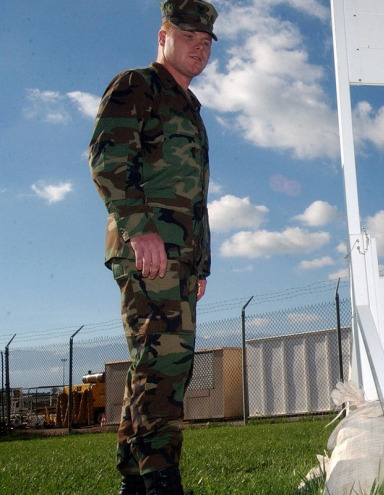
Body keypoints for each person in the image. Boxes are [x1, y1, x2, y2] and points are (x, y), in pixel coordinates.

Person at [89, 2, 217, 494]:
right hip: (149, 249)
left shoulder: (189, 107)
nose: (199, 46)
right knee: (166, 367)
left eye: (206, 41)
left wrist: (199, 262)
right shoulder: (139, 85)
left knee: (155, 365)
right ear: (163, 35)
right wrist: (140, 229)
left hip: (179, 258)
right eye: (189, 36)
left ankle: (136, 483)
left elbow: (195, 196)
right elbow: (108, 157)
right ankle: (161, 481)